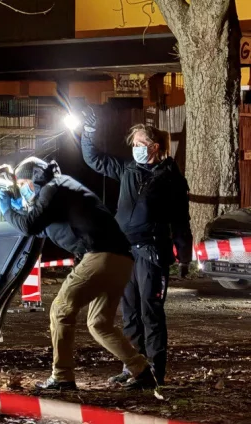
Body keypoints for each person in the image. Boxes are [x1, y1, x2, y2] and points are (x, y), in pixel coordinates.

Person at [0, 156, 155, 391]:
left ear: (34, 180)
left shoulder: (53, 188)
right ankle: (141, 370)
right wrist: (22, 209)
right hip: (120, 259)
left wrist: (8, 209)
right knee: (99, 323)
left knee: (60, 310)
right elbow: (41, 226)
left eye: (22, 185)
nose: (21, 191)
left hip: (101, 255)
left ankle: (62, 377)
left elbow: (30, 225)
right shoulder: (62, 187)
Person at [80, 109, 192, 386]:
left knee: (150, 311)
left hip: (152, 252)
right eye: (133, 144)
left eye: (140, 144)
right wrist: (88, 132)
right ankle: (135, 368)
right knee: (129, 313)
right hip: (125, 252)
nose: (135, 149)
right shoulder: (128, 170)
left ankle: (155, 371)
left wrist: (184, 255)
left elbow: (180, 219)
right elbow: (94, 159)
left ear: (154, 147)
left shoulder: (171, 179)